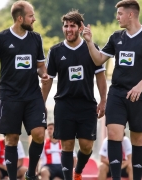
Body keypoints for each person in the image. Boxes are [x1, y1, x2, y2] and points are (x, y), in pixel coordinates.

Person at [82, 0, 142, 179]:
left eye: (120, 14)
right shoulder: (116, 37)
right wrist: (89, 42)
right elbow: (98, 60)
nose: (117, 17)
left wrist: (140, 86)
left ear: (130, 14)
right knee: (113, 133)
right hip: (117, 94)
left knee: (138, 140)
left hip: (140, 96)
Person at [0, 1, 49, 180]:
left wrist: (43, 74)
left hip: (32, 95)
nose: (34, 19)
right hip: (10, 96)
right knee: (11, 138)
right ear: (20, 18)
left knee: (39, 133)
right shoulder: (1, 38)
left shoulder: (36, 38)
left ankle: (31, 173)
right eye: (30, 16)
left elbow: (41, 66)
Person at [41, 10, 107, 180]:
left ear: (80, 28)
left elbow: (101, 77)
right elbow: (48, 80)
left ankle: (78, 171)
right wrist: (40, 103)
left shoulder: (91, 48)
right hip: (64, 105)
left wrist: (103, 101)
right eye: (66, 26)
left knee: (86, 146)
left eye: (72, 26)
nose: (68, 29)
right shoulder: (55, 51)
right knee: (67, 145)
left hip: (87, 104)